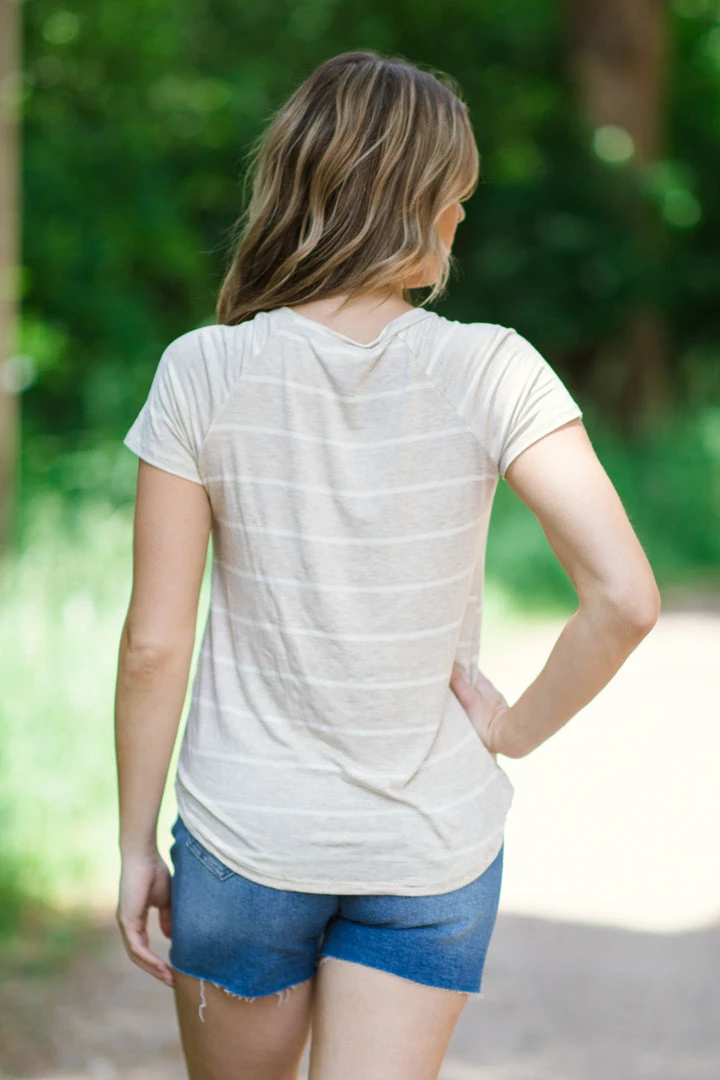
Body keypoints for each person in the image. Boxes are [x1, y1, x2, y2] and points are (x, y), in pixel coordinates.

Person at [114, 49, 661, 1080]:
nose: (461, 223)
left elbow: (154, 643)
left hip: (246, 841)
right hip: (429, 849)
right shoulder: (494, 366)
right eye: (457, 198)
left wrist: (137, 845)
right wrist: (512, 729)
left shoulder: (203, 372)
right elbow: (626, 597)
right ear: (417, 206)